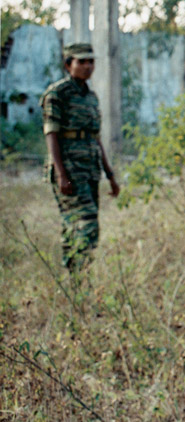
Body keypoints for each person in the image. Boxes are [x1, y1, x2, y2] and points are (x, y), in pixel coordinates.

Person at [40, 42, 119, 270]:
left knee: (77, 225)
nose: (87, 66)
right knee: (86, 223)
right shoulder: (57, 94)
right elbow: (51, 135)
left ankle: (77, 278)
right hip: (70, 170)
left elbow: (96, 138)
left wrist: (110, 175)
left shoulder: (91, 97)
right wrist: (61, 174)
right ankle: (76, 276)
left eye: (91, 61)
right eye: (81, 61)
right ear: (68, 65)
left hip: (90, 170)